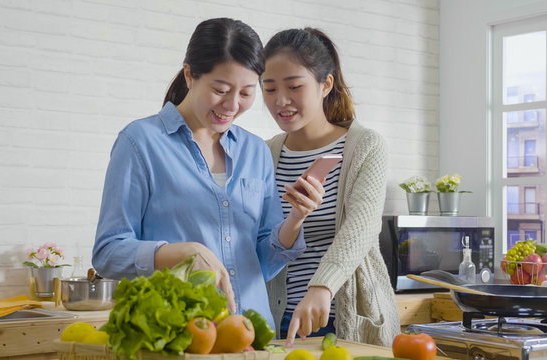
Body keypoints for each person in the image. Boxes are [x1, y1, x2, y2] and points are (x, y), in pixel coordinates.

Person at [92, 18, 324, 330]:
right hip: (177, 336)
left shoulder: (255, 152)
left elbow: (263, 264)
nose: (231, 105)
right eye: (220, 89)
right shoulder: (140, 142)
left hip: (252, 335)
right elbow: (108, 252)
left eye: (246, 93)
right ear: (190, 75)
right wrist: (182, 252)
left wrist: (295, 219)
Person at [261, 28, 400, 346]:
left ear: (326, 84)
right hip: (276, 320)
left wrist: (321, 286)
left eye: (294, 87)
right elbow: (262, 243)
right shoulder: (264, 153)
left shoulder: (364, 146)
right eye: (269, 88)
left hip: (341, 315)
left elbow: (361, 229)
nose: (280, 101)